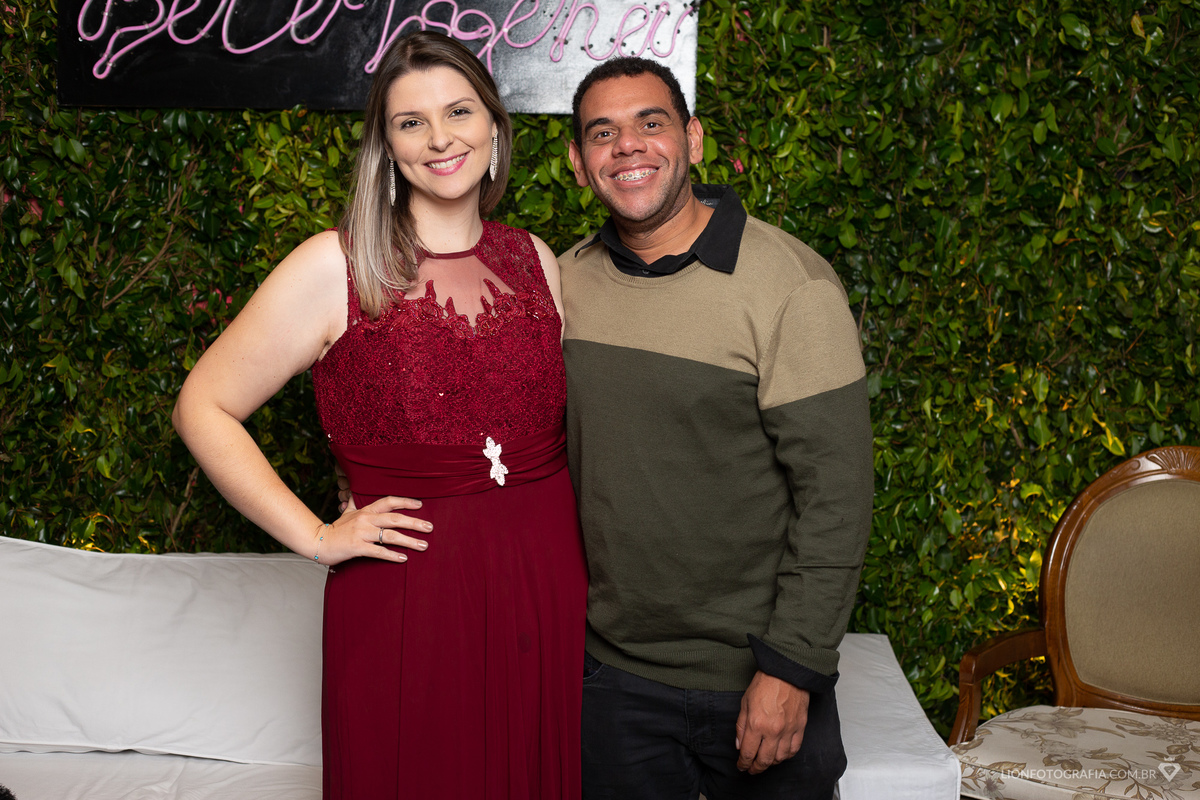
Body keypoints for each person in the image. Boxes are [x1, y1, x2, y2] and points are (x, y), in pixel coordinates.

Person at [172, 30, 587, 799]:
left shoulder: (535, 258)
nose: (440, 138)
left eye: (459, 111)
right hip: (410, 593)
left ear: (493, 125)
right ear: (386, 147)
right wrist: (316, 536)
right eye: (411, 122)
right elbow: (204, 405)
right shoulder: (335, 264)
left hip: (545, 580)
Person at [557, 58, 874, 799]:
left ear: (693, 140)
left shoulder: (791, 286)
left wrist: (792, 669)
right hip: (611, 680)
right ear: (577, 162)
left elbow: (836, 495)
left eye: (651, 123)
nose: (627, 146)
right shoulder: (564, 283)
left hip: (759, 676)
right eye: (602, 133)